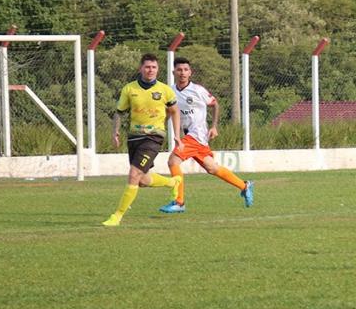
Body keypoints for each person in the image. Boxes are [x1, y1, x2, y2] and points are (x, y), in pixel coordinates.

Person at [158, 57, 253, 214]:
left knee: (173, 161)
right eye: (179, 70)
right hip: (191, 137)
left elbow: (215, 104)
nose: (183, 73)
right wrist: (161, 126)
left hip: (197, 135)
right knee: (212, 168)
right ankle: (244, 185)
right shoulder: (170, 92)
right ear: (174, 72)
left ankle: (179, 202)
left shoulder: (198, 90)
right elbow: (170, 111)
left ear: (190, 72)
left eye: (186, 70)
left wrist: (214, 126)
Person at [103, 54, 183, 227]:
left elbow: (175, 111)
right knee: (142, 180)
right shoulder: (129, 89)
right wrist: (115, 131)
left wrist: (177, 135)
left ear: (158, 69)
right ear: (141, 68)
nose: (150, 70)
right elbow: (119, 112)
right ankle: (173, 182)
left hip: (154, 138)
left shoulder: (165, 90)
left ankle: (117, 215)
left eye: (154, 67)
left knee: (133, 174)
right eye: (147, 67)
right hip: (134, 138)